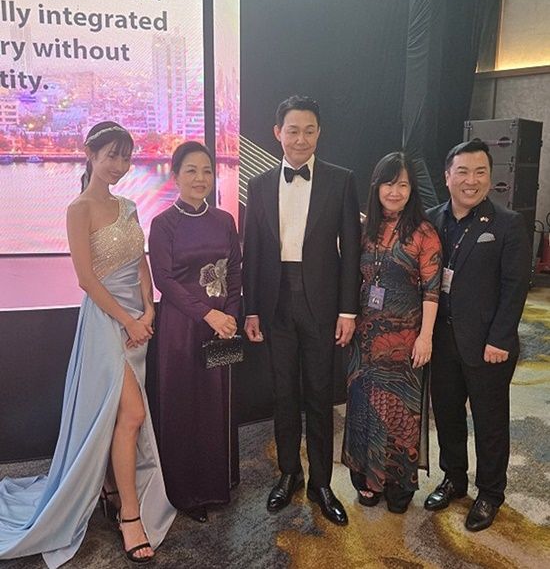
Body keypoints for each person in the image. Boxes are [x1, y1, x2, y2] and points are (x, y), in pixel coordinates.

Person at [0, 122, 175, 567]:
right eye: (111, 155)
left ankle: (112, 491)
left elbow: (139, 263)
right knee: (132, 413)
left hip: (137, 322)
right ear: (91, 154)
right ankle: (130, 516)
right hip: (104, 322)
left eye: (125, 157)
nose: (119, 165)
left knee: (119, 416)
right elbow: (86, 279)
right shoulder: (78, 209)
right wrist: (127, 321)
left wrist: (149, 310)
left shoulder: (129, 206)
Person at [242, 95, 361, 526]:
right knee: (284, 393)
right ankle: (289, 472)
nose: (300, 139)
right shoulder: (258, 185)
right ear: (278, 133)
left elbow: (351, 251)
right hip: (275, 302)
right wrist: (251, 310)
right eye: (292, 130)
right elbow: (252, 251)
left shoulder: (341, 180)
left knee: (320, 395)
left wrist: (348, 310)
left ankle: (322, 483)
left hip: (322, 304)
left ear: (319, 133)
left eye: (309, 130)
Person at [424, 138, 531, 531]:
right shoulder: (431, 220)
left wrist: (500, 339)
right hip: (441, 341)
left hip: (488, 344)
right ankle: (454, 478)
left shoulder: (507, 223)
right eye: (463, 172)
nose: (471, 180)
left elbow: (515, 286)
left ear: (489, 177)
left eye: (480, 172)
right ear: (447, 176)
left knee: (490, 422)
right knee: (447, 415)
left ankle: (490, 492)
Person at [342, 152, 442, 513]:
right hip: (365, 339)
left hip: (405, 340)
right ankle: (367, 479)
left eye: (402, 184)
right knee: (364, 408)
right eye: (388, 183)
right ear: (377, 186)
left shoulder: (424, 232)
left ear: (412, 189)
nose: (395, 191)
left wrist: (426, 336)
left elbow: (432, 290)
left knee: (400, 411)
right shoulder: (364, 229)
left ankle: (399, 482)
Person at [148, 141, 241, 523]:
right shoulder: (163, 224)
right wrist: (209, 315)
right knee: (185, 405)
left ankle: (220, 481)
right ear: (175, 176)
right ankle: (188, 492)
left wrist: (230, 316)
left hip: (221, 328)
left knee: (217, 402)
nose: (200, 178)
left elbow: (234, 271)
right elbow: (164, 281)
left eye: (206, 170)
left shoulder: (224, 220)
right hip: (181, 329)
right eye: (191, 170)